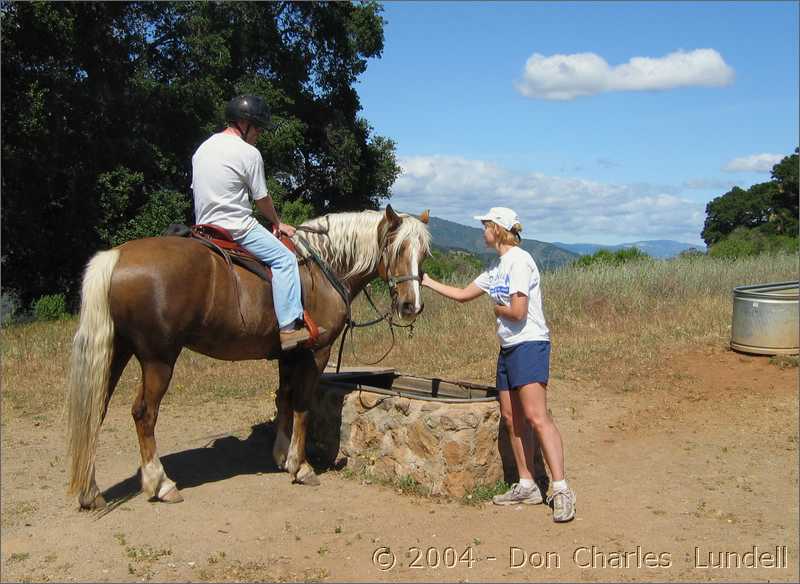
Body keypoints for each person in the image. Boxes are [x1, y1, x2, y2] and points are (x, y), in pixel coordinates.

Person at [421, 207, 576, 522]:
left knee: (536, 416)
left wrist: (496, 308)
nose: (482, 231)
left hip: (529, 345)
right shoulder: (497, 266)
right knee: (511, 417)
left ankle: (561, 489)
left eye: (486, 225)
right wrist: (425, 281)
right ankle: (527, 483)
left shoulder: (520, 262)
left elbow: (518, 311)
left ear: (498, 229)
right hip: (508, 349)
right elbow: (464, 294)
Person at [191, 95, 311, 350]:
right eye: (257, 127)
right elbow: (262, 199)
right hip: (236, 227)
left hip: (202, 227)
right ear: (244, 124)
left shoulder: (203, 148)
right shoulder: (249, 153)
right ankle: (289, 329)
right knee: (285, 259)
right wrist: (278, 222)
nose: (259, 133)